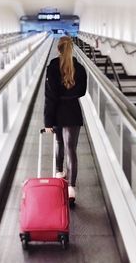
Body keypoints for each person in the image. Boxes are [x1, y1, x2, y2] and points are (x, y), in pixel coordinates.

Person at [44, 36, 87, 205]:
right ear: (72, 49)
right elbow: (82, 92)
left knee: (59, 143)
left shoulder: (53, 67)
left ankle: (58, 173)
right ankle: (71, 188)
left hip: (57, 112)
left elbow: (50, 96)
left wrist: (48, 122)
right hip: (73, 112)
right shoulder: (80, 69)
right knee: (71, 149)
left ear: (58, 49)